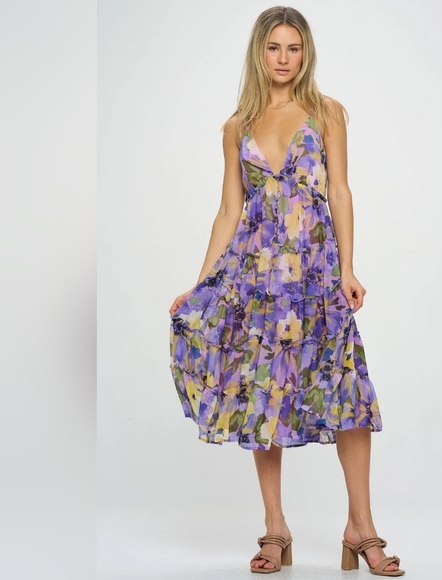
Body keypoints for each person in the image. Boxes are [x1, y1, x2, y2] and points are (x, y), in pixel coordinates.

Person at [168, 6, 404, 577]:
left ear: (305, 53)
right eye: (273, 47)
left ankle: (360, 526)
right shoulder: (237, 126)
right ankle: (275, 528)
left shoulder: (326, 113)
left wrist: (348, 269)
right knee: (262, 396)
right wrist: (201, 284)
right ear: (259, 52)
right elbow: (230, 210)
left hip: (316, 274)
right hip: (255, 279)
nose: (283, 58)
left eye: (293, 48)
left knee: (346, 390)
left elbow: (340, 192)